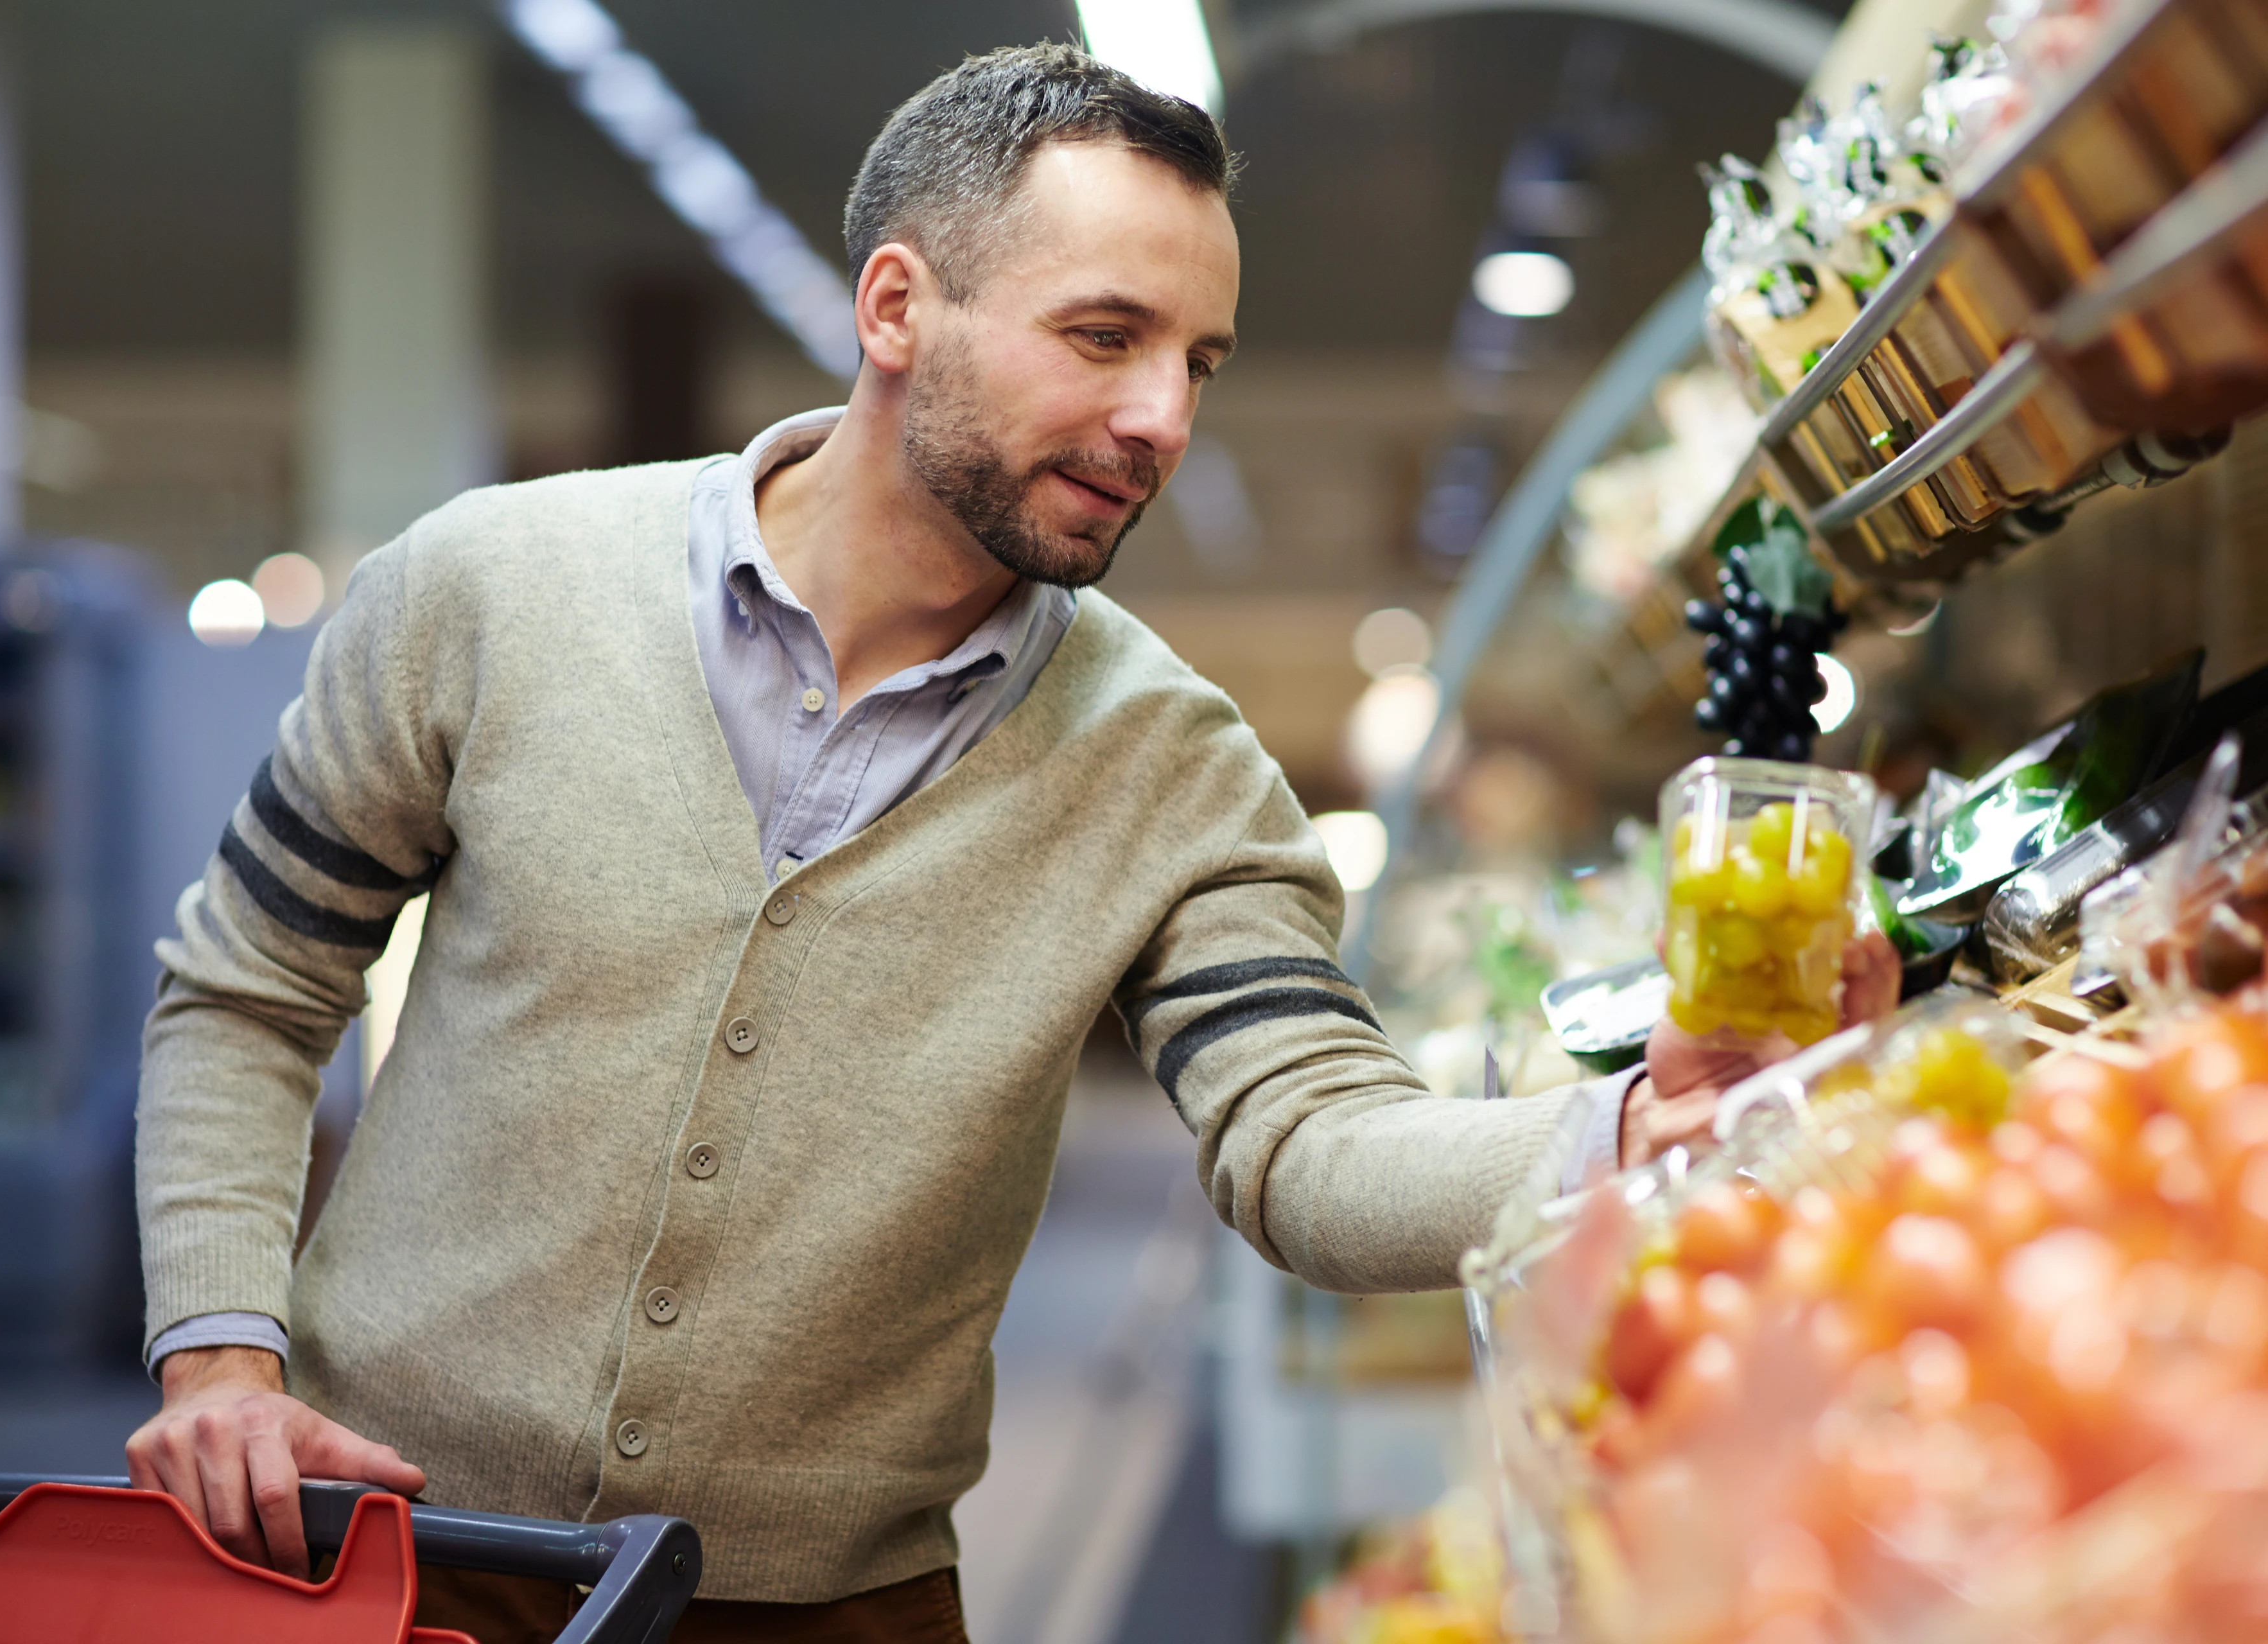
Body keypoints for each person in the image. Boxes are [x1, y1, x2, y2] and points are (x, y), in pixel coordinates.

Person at [126, 42, 1895, 1644]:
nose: (1164, 424)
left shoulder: (1174, 765)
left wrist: (1625, 1129)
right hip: (378, 1564)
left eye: (1196, 362)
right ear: (899, 306)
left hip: (830, 1618)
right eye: (1103, 337)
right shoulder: (490, 589)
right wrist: (218, 1349)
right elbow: (253, 976)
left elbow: (1304, 1137)